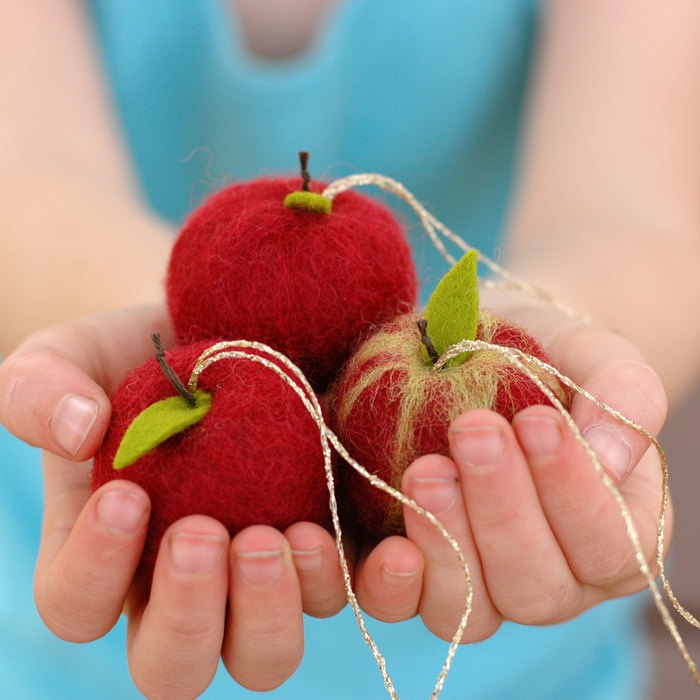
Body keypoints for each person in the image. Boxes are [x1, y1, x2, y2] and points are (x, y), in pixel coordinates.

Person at [2, 1, 700, 698]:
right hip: (89, 604)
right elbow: (26, 170)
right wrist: (155, 334)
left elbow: (635, 207)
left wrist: (577, 343)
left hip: (524, 645)